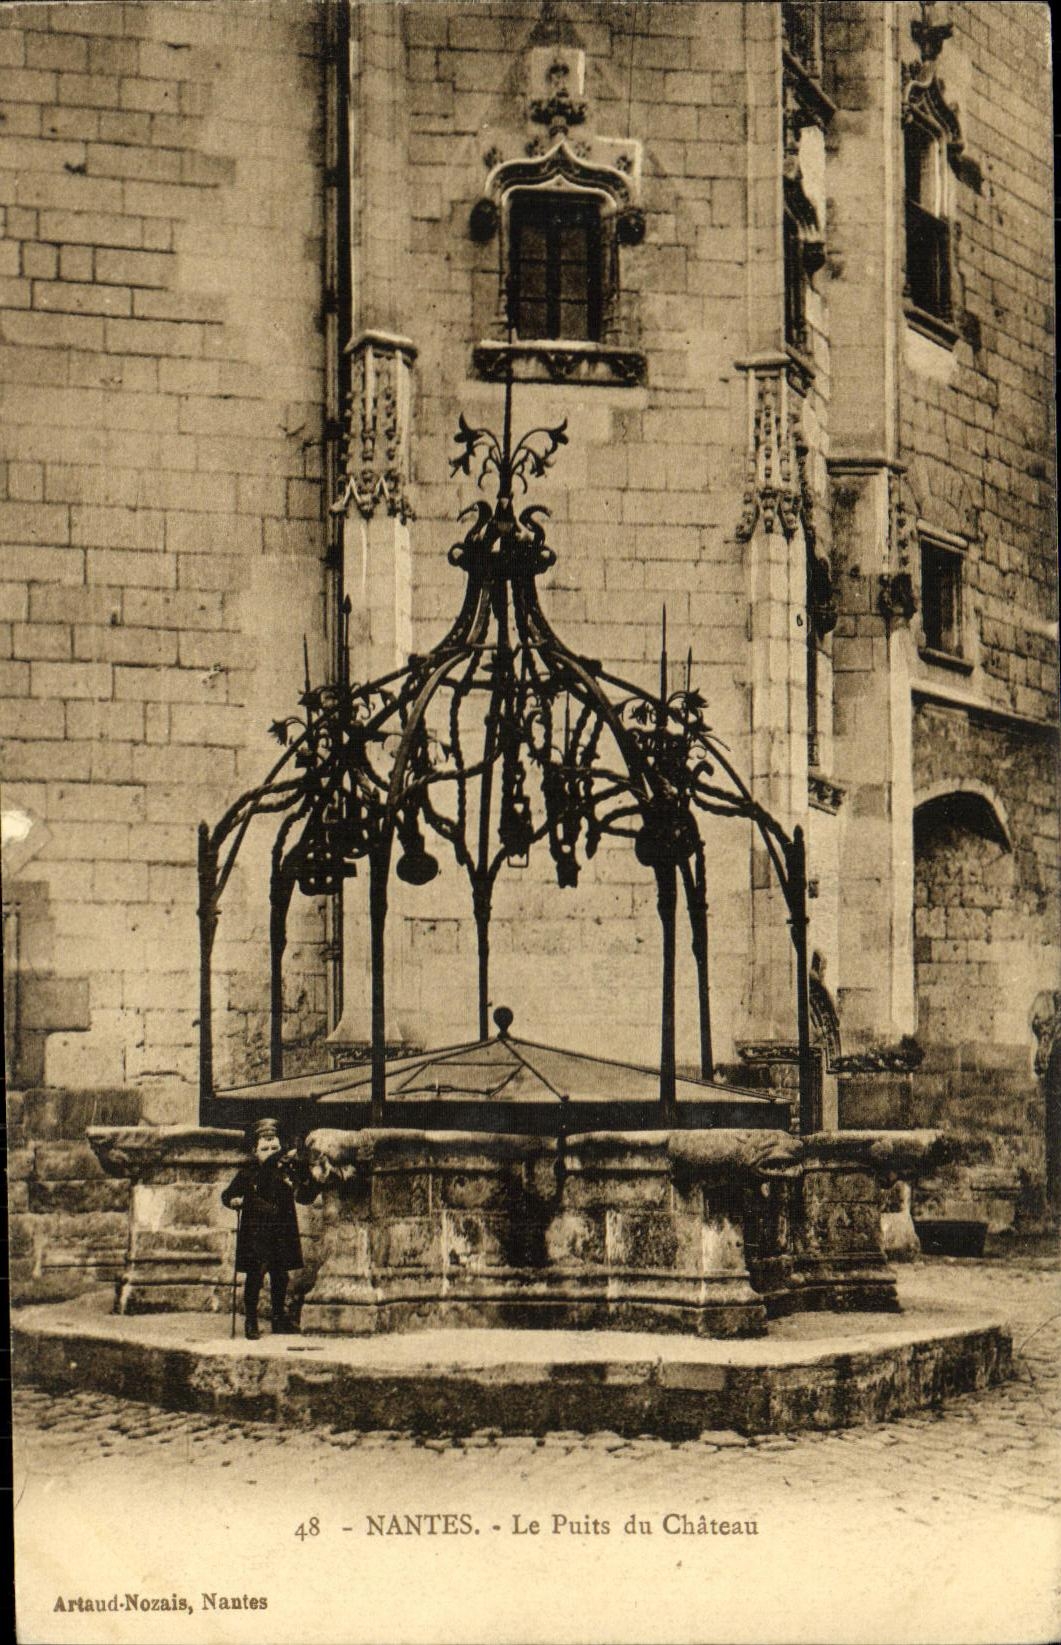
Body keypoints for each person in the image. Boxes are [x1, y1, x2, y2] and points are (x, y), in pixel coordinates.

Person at [221, 1118, 307, 1340]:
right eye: (265, 1149)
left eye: (275, 1148)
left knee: (281, 1276)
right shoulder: (248, 1175)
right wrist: (234, 1201)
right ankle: (251, 1320)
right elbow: (227, 1195)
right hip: (257, 1234)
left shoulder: (286, 1172)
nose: (270, 1153)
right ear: (254, 1151)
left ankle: (278, 1318)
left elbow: (303, 1192)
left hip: (281, 1232)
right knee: (255, 1276)